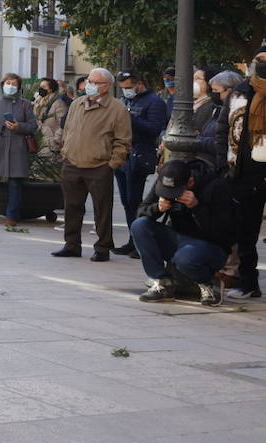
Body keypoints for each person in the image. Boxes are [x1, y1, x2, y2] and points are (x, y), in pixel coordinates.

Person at [132, 156, 235, 306]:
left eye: (175, 192)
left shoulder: (216, 186)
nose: (171, 194)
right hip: (178, 239)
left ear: (190, 182)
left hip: (210, 246)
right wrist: (157, 209)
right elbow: (141, 212)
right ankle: (162, 283)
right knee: (139, 225)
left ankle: (210, 284)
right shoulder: (167, 180)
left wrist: (197, 207)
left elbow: (225, 233)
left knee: (185, 258)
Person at [53, 67, 131, 261]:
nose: (90, 85)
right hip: (72, 163)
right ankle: (71, 245)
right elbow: (67, 129)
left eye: (96, 82)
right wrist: (65, 152)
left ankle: (103, 248)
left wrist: (112, 165)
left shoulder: (117, 108)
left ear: (107, 86)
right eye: (89, 81)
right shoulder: (77, 104)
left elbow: (123, 141)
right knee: (71, 207)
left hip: (99, 166)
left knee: (102, 210)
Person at [219, 46, 266, 299]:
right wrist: (222, 162)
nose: (261, 64)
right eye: (259, 60)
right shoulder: (240, 92)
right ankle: (249, 283)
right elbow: (222, 129)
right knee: (245, 233)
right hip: (244, 174)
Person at [112, 71, 170, 256]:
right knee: (126, 202)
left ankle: (140, 242)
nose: (126, 91)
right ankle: (132, 239)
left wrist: (130, 118)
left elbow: (154, 129)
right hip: (122, 156)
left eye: (128, 87)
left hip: (139, 156)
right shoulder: (124, 101)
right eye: (122, 88)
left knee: (135, 201)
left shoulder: (154, 102)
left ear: (139, 84)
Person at [0, 72, 36, 225]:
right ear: (3, 84)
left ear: (19, 87)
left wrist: (19, 126)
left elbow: (33, 126)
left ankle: (12, 216)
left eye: (14, 84)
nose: (11, 86)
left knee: (15, 184)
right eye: (8, 83)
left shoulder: (26, 104)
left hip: (17, 149)